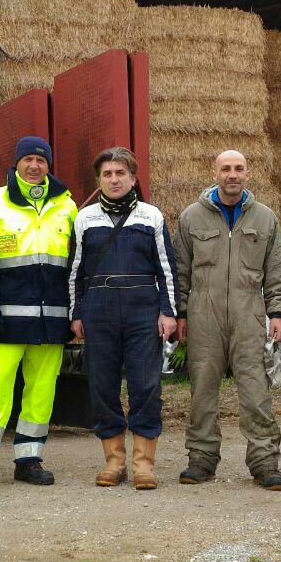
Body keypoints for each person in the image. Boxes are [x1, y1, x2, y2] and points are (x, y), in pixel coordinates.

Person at [0, 136, 77, 494]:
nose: (34, 166)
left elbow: (74, 268)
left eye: (40, 160)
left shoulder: (67, 208)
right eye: (27, 159)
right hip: (4, 320)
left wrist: (71, 317)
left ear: (48, 165)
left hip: (51, 321)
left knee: (41, 392)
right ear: (16, 163)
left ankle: (29, 460)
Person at [173, 150, 281, 490]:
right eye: (226, 169)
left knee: (256, 391)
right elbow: (181, 270)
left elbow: (277, 271)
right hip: (202, 316)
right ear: (215, 173)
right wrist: (182, 313)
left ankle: (265, 463)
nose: (232, 174)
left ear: (248, 174)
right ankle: (201, 460)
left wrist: (278, 312)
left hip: (249, 314)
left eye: (239, 168)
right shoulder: (191, 218)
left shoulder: (266, 219)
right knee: (202, 391)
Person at [69, 147, 178, 490]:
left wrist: (168, 311)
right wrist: (76, 313)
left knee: (146, 386)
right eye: (107, 174)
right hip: (98, 311)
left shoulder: (151, 216)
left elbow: (167, 270)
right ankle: (114, 462)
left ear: (133, 178)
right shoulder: (84, 219)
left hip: (143, 310)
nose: (114, 179)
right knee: (102, 386)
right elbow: (75, 272)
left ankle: (143, 465)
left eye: (120, 173)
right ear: (99, 180)